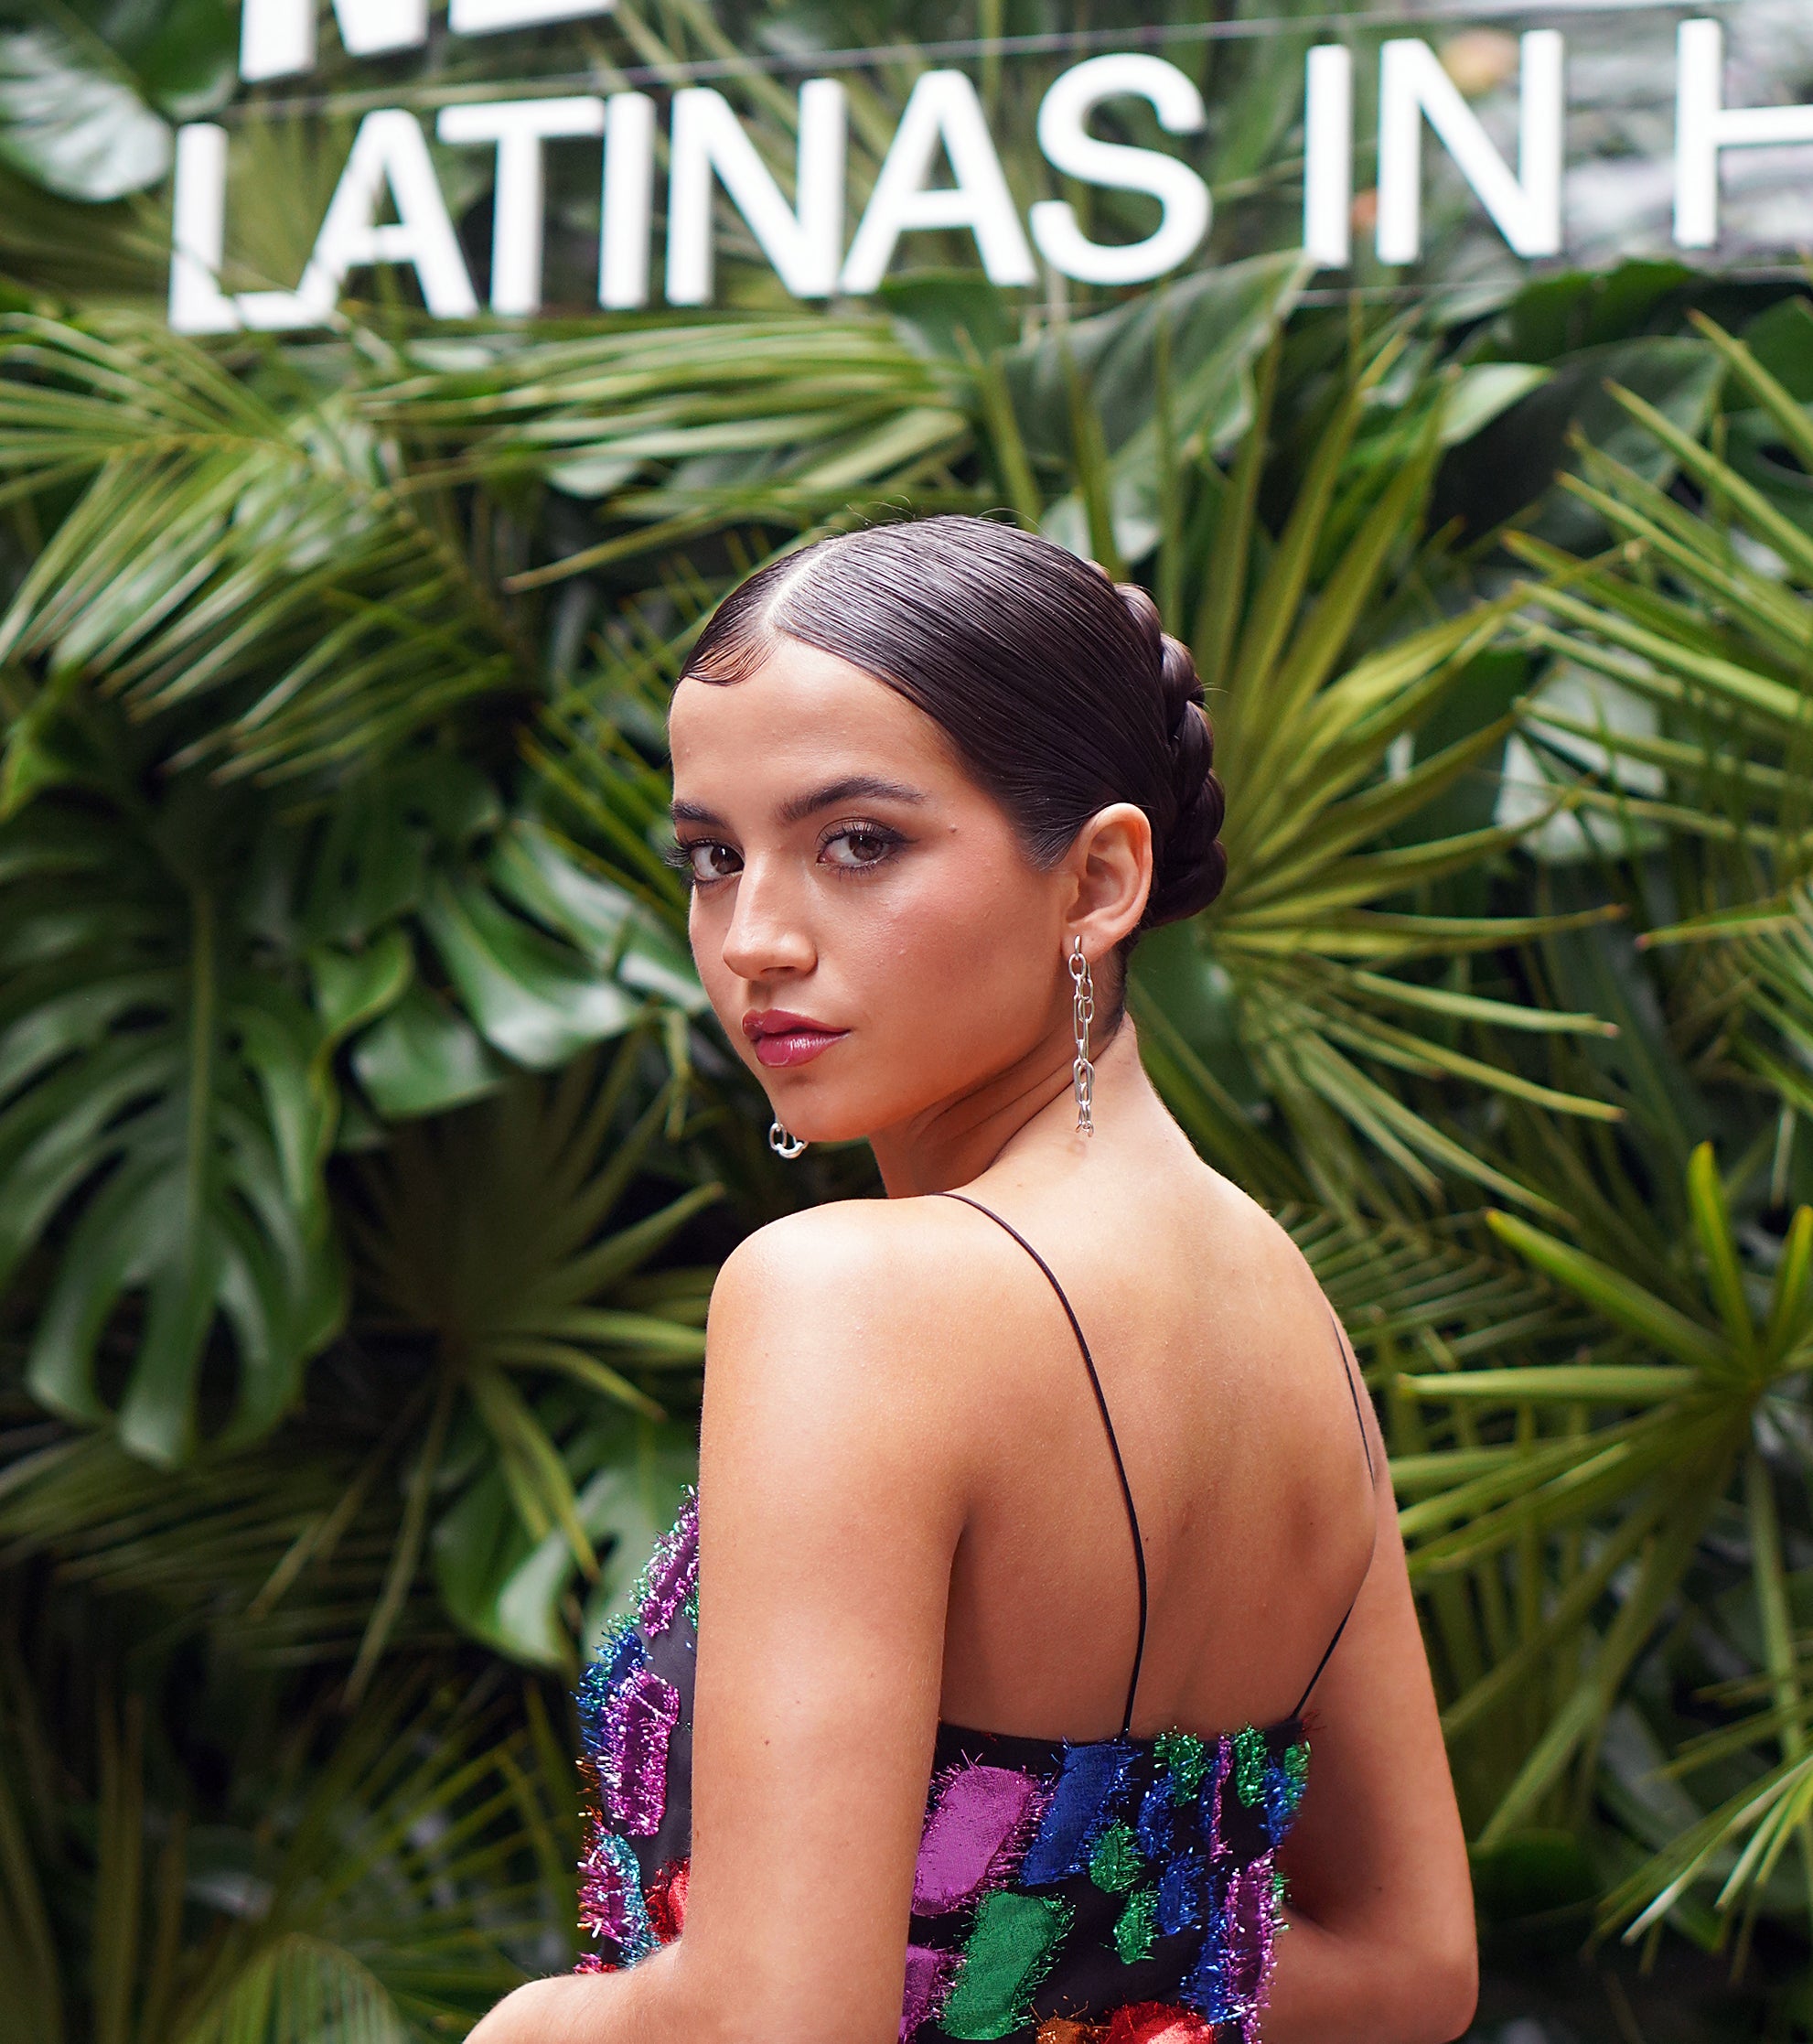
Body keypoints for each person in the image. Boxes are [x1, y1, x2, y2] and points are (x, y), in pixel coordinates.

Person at [468, 517, 1475, 2044]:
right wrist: (1057, 1997)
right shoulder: (1278, 1303)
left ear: (1098, 879)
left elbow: (780, 2023)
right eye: (713, 857)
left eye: (857, 841)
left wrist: (534, 2025)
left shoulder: (847, 1296)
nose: (755, 938)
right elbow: (1410, 1972)